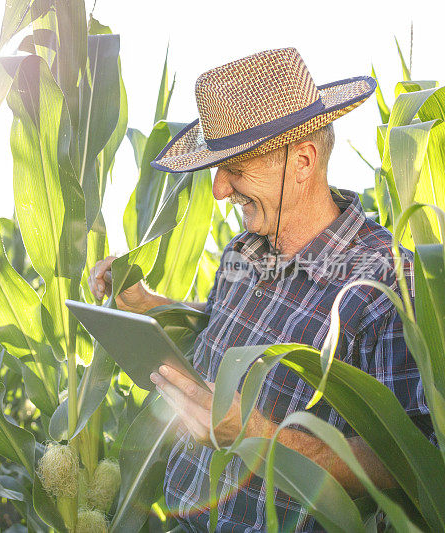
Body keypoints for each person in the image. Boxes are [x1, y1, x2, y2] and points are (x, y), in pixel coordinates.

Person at [88, 48, 432, 531]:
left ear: (303, 160)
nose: (219, 190)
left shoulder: (386, 283)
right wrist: (148, 304)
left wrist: (256, 435)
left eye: (236, 170)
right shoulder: (241, 252)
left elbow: (408, 463)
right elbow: (216, 326)